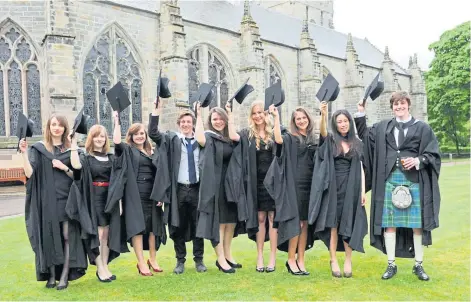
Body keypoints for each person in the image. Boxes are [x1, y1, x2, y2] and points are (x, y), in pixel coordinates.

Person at [360, 91, 441, 281]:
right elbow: (365, 135)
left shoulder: (422, 128)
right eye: (396, 104)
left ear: (408, 105)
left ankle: (418, 265)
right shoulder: (384, 127)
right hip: (389, 180)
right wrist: (361, 113)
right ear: (392, 107)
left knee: (417, 226)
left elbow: (433, 154)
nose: (399, 107)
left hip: (413, 181)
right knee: (389, 225)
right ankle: (391, 264)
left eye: (402, 103)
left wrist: (418, 160)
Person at [20, 115, 87, 290]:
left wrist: (64, 167)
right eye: (53, 124)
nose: (57, 128)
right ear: (49, 127)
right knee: (50, 236)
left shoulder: (71, 150)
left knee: (66, 237)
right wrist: (24, 154)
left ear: (65, 128)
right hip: (47, 200)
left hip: (67, 200)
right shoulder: (39, 149)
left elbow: (78, 176)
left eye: (60, 125)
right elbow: (30, 174)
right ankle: (51, 276)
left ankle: (64, 276)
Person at [267, 103, 328, 275]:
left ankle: (301, 259)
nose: (301, 121)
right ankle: (291, 259)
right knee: (297, 223)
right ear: (294, 121)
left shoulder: (313, 139)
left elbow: (324, 135)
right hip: (294, 185)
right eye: (297, 119)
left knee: (306, 224)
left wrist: (324, 115)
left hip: (310, 186)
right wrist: (276, 117)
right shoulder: (290, 138)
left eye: (303, 118)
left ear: (308, 119)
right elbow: (277, 139)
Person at [148, 99, 207, 274]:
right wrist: (156, 111)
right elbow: (153, 133)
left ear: (193, 124)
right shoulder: (172, 139)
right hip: (178, 190)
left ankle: (199, 260)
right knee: (177, 225)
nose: (186, 124)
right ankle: (180, 261)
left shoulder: (202, 141)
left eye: (189, 122)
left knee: (198, 225)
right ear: (179, 124)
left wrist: (200, 113)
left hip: (196, 188)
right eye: (183, 122)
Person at [308, 109, 368, 278]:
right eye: (339, 122)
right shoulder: (331, 140)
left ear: (350, 122)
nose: (342, 124)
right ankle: (333, 259)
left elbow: (361, 169)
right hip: (333, 187)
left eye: (345, 121)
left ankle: (348, 260)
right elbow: (323, 133)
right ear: (335, 124)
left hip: (352, 187)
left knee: (348, 223)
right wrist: (324, 115)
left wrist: (362, 191)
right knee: (333, 224)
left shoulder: (357, 143)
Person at [112, 111, 168, 276]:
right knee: (137, 227)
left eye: (142, 133)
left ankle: (152, 258)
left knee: (153, 227)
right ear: (130, 136)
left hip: (153, 194)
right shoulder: (127, 150)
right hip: (134, 194)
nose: (139, 136)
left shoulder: (152, 152)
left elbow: (160, 174)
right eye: (135, 134)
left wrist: (161, 194)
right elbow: (116, 141)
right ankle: (141, 262)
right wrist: (117, 121)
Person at [226, 100, 278, 273]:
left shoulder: (274, 133)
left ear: (265, 114)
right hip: (255, 183)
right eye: (254, 113)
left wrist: (276, 117)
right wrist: (230, 115)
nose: (257, 116)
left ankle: (272, 258)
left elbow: (281, 141)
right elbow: (233, 136)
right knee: (260, 219)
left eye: (260, 113)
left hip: (272, 182)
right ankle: (260, 256)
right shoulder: (248, 134)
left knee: (273, 219)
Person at [195, 103, 243, 274]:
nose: (218, 121)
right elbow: (199, 138)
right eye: (215, 119)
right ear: (210, 121)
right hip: (214, 184)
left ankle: (228, 255)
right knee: (220, 223)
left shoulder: (230, 138)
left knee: (230, 222)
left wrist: (230, 114)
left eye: (221, 118)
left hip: (230, 184)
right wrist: (198, 115)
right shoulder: (208, 137)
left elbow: (236, 138)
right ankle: (220, 258)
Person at [67, 125, 119, 282]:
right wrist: (73, 145)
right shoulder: (86, 158)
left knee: (107, 234)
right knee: (99, 233)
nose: (99, 139)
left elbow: (117, 180)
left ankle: (104, 265)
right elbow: (76, 167)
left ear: (105, 139)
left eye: (102, 136)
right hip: (93, 197)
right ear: (91, 138)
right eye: (96, 136)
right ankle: (100, 268)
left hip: (109, 198)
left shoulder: (111, 158)